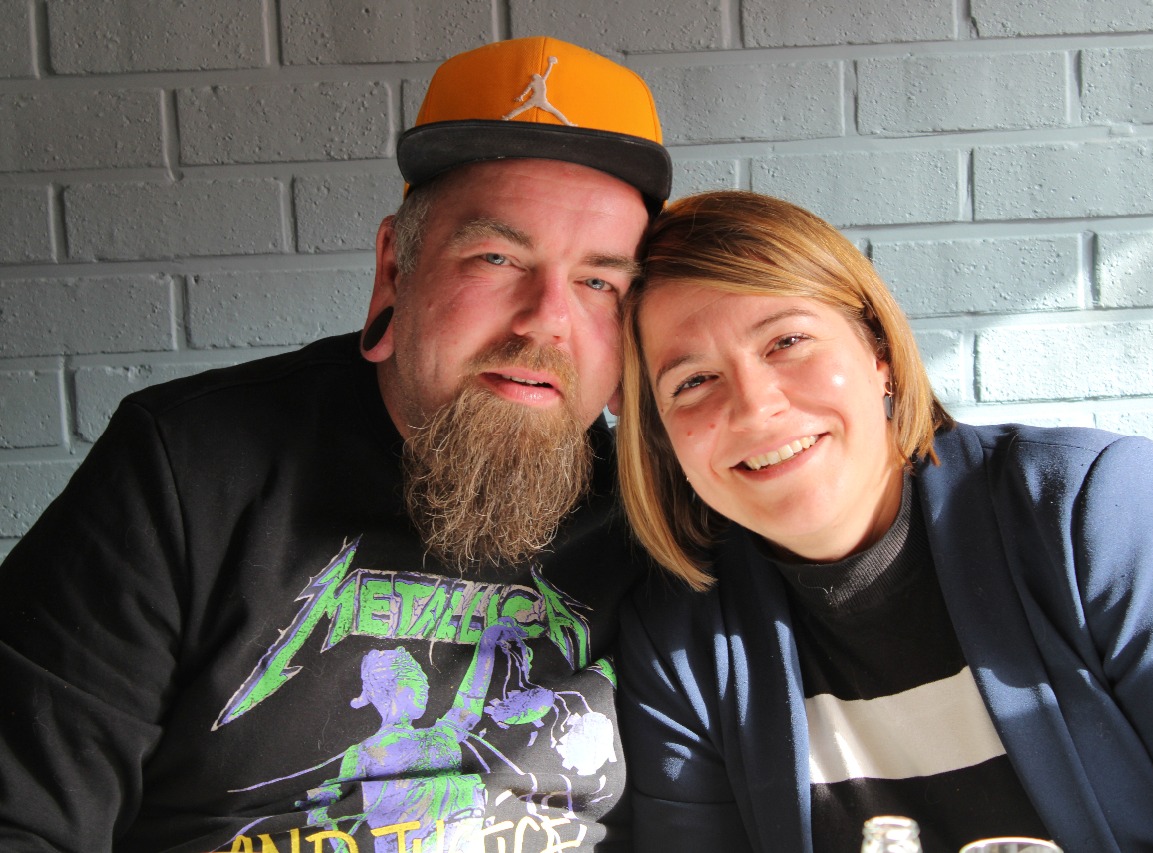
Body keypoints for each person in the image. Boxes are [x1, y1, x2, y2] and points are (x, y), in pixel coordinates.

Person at [0, 36, 670, 853]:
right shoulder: (186, 469)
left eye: (599, 280)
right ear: (395, 269)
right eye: (497, 257)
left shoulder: (655, 511)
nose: (546, 321)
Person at [614, 191, 1153, 852]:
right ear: (662, 438)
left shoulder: (1087, 510)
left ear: (877, 351)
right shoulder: (678, 641)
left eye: (788, 341)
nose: (755, 406)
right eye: (693, 382)